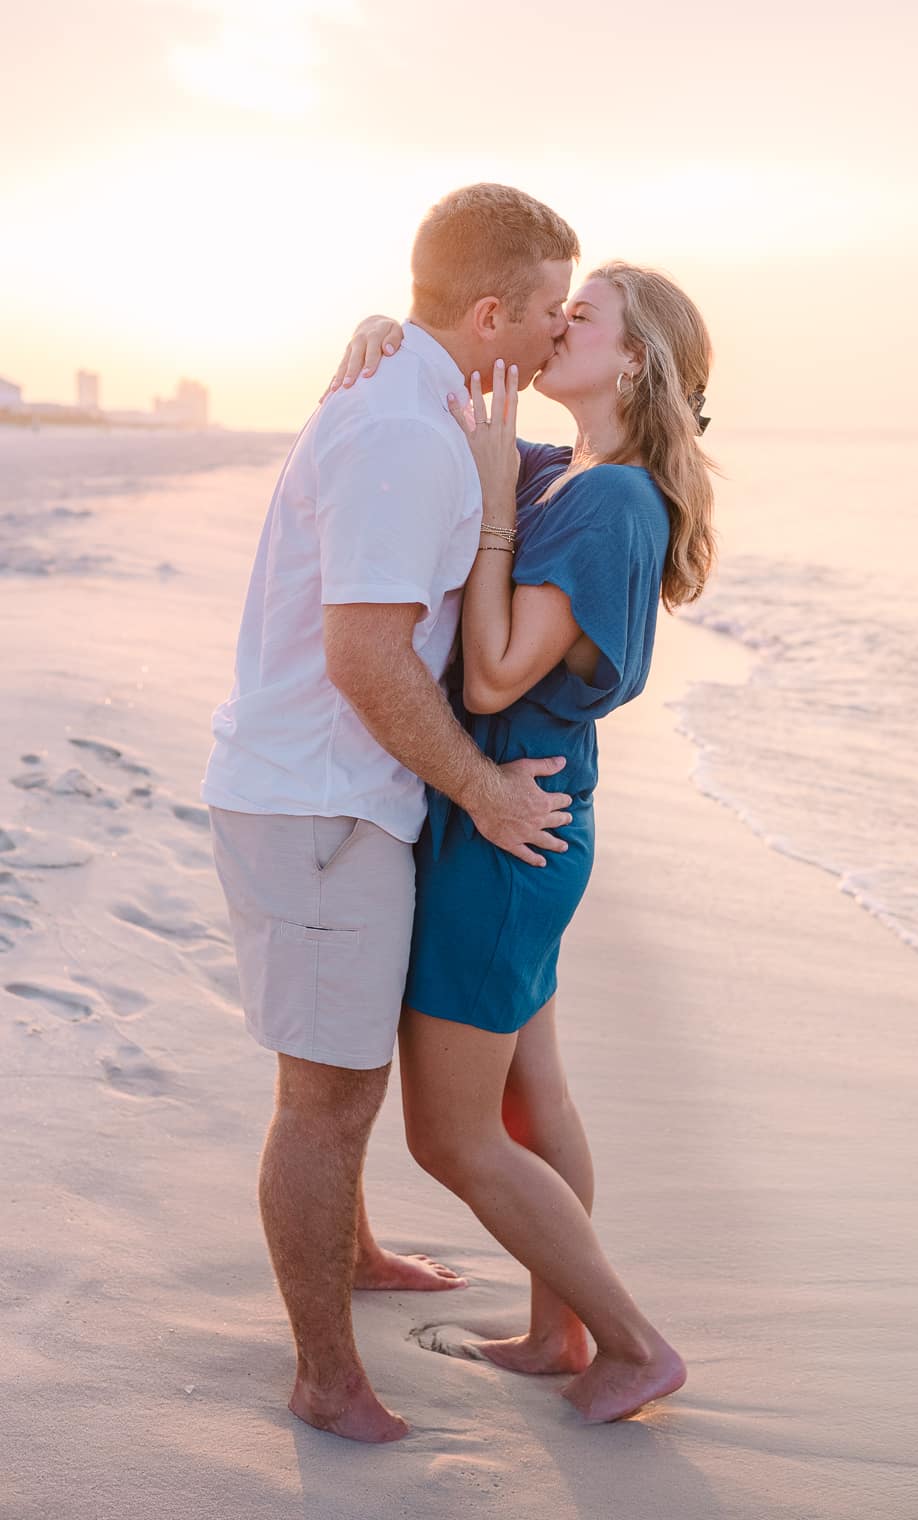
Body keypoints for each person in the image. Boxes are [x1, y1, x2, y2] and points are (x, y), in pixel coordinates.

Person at [201, 183, 581, 1444]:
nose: (552, 331)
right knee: (326, 1097)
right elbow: (367, 656)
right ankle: (322, 1376)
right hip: (318, 804)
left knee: (341, 1076)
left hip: (345, 797)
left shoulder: (429, 406)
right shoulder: (404, 437)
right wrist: (479, 788)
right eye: (541, 311)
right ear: (488, 311)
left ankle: (356, 1254)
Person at [325, 257, 716, 1423]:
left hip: (509, 827)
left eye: (579, 317)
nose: (553, 328)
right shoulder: (574, 472)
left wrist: (495, 513)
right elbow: (444, 408)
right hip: (518, 817)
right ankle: (558, 1334)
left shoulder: (607, 497)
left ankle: (632, 1345)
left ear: (632, 358)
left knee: (452, 1136)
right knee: (528, 1100)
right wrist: (384, 328)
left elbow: (494, 673)